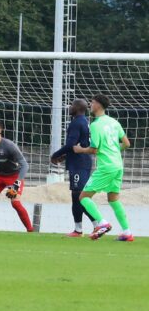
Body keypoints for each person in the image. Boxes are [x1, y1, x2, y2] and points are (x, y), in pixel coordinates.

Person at [73, 94, 133, 241]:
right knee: (113, 199)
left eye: (92, 102)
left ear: (98, 105)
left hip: (106, 166)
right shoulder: (114, 122)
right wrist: (113, 149)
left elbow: (94, 149)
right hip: (118, 165)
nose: (90, 105)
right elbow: (126, 143)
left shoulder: (95, 124)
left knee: (83, 197)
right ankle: (127, 232)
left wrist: (80, 150)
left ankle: (102, 223)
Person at [51, 99, 97, 237]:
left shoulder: (76, 122)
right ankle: (79, 229)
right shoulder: (83, 121)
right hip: (80, 162)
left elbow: (71, 144)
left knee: (79, 196)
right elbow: (79, 144)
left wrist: (55, 154)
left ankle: (98, 224)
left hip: (79, 164)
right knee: (77, 196)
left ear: (77, 108)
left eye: (72, 105)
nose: (69, 107)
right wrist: (65, 156)